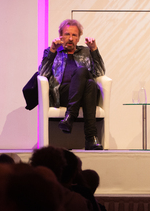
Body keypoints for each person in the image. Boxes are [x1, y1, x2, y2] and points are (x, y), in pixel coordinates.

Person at [40, 19, 106, 150]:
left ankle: (70, 117)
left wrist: (94, 50)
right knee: (88, 81)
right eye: (67, 34)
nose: (70, 38)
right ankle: (90, 138)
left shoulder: (86, 52)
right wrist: (53, 51)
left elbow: (100, 72)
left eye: (74, 35)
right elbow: (42, 73)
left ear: (78, 38)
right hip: (62, 94)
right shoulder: (52, 52)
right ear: (60, 36)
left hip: (86, 95)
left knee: (89, 83)